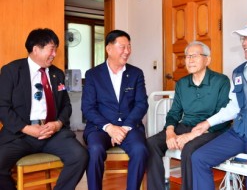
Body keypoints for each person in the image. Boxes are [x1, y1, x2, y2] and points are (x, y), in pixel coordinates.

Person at [192, 17, 247, 190]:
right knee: (199, 158)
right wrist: (208, 123)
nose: (244, 43)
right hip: (239, 133)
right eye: (243, 38)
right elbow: (234, 106)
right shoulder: (239, 71)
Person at [0, 28, 88, 190]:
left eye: (56, 49)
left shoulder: (57, 74)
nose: (55, 54)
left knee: (80, 156)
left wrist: (58, 124)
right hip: (21, 134)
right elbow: (3, 108)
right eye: (52, 49)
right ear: (36, 49)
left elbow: (66, 106)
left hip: (52, 133)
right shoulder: (11, 71)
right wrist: (26, 129)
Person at [147, 41, 231, 190]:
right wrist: (170, 131)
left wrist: (191, 136)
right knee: (151, 143)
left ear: (207, 59)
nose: (190, 59)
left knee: (189, 149)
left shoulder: (221, 81)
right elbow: (174, 112)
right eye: (187, 56)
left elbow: (223, 117)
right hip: (186, 125)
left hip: (212, 129)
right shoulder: (182, 83)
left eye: (195, 56)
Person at [82, 29, 149, 190]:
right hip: (100, 127)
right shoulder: (93, 74)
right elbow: (87, 108)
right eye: (122, 47)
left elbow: (141, 104)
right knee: (95, 150)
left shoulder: (135, 73)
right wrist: (110, 128)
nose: (127, 51)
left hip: (129, 127)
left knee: (140, 150)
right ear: (109, 49)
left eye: (129, 47)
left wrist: (124, 128)